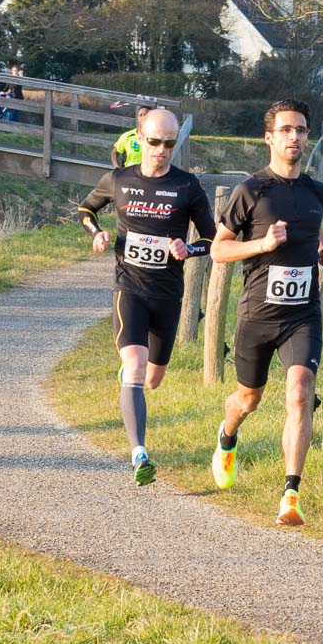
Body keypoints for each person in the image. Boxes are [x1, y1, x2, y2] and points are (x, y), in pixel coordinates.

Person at [209, 99, 323, 527]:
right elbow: (218, 249)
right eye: (285, 130)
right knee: (249, 399)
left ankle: (291, 494)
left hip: (302, 314)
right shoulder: (250, 191)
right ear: (269, 137)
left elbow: (314, 227)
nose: (294, 138)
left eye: (301, 130)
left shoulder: (316, 191)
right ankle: (228, 435)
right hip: (257, 314)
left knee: (301, 391)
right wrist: (262, 245)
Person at [78, 109, 216, 485]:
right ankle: (139, 454)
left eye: (170, 143)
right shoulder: (118, 180)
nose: (161, 150)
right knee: (136, 370)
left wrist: (189, 250)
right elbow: (86, 208)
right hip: (129, 288)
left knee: (152, 379)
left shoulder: (187, 186)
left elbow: (211, 238)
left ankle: (132, 380)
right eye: (154, 142)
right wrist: (96, 232)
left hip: (168, 294)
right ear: (139, 138)